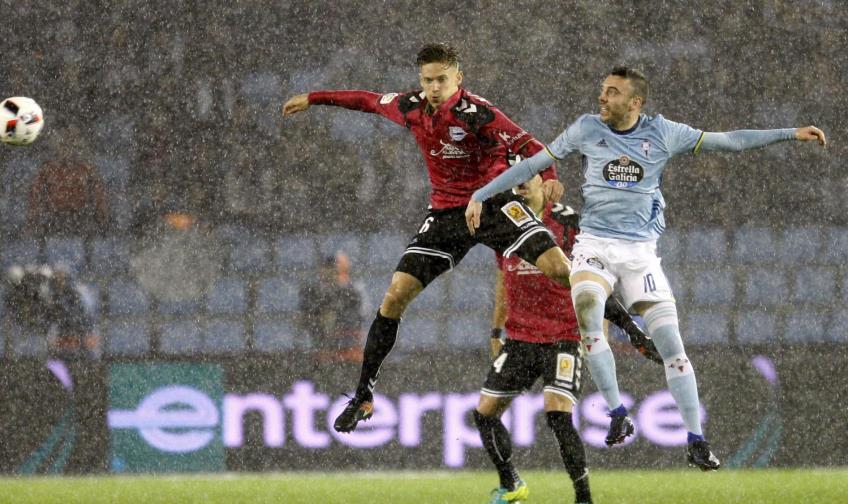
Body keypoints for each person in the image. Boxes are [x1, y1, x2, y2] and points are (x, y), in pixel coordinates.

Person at [466, 65, 827, 471]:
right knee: (586, 302)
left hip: (640, 252)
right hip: (596, 245)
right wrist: (481, 192)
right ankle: (618, 412)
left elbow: (730, 142)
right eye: (603, 90)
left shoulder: (663, 133)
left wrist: (790, 133)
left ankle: (696, 440)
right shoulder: (586, 128)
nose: (602, 98)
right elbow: (531, 164)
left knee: (672, 345)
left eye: (612, 92)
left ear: (635, 102)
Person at [283, 43, 641, 434]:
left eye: (441, 79)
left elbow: (529, 144)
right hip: (447, 215)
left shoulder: (478, 113)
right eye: (427, 80)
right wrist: (315, 98)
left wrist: (551, 179)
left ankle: (635, 332)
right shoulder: (411, 107)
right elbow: (366, 101)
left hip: (495, 204)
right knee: (394, 296)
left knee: (559, 270)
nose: (434, 87)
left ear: (458, 78)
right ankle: (364, 396)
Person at [476, 167, 658, 504]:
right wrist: (496, 329)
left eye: (524, 185)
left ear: (544, 187)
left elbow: (596, 275)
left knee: (557, 414)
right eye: (513, 188)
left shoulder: (571, 223)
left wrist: (598, 332)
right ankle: (511, 483)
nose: (518, 192)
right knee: (484, 414)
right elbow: (503, 279)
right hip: (520, 337)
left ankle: (583, 497)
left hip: (564, 334)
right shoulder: (505, 222)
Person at [300, 251, 369, 363]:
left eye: (334, 271)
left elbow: (358, 318)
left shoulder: (353, 292)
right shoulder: (313, 293)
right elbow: (307, 320)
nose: (329, 274)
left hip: (349, 354)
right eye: (327, 269)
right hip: (323, 354)